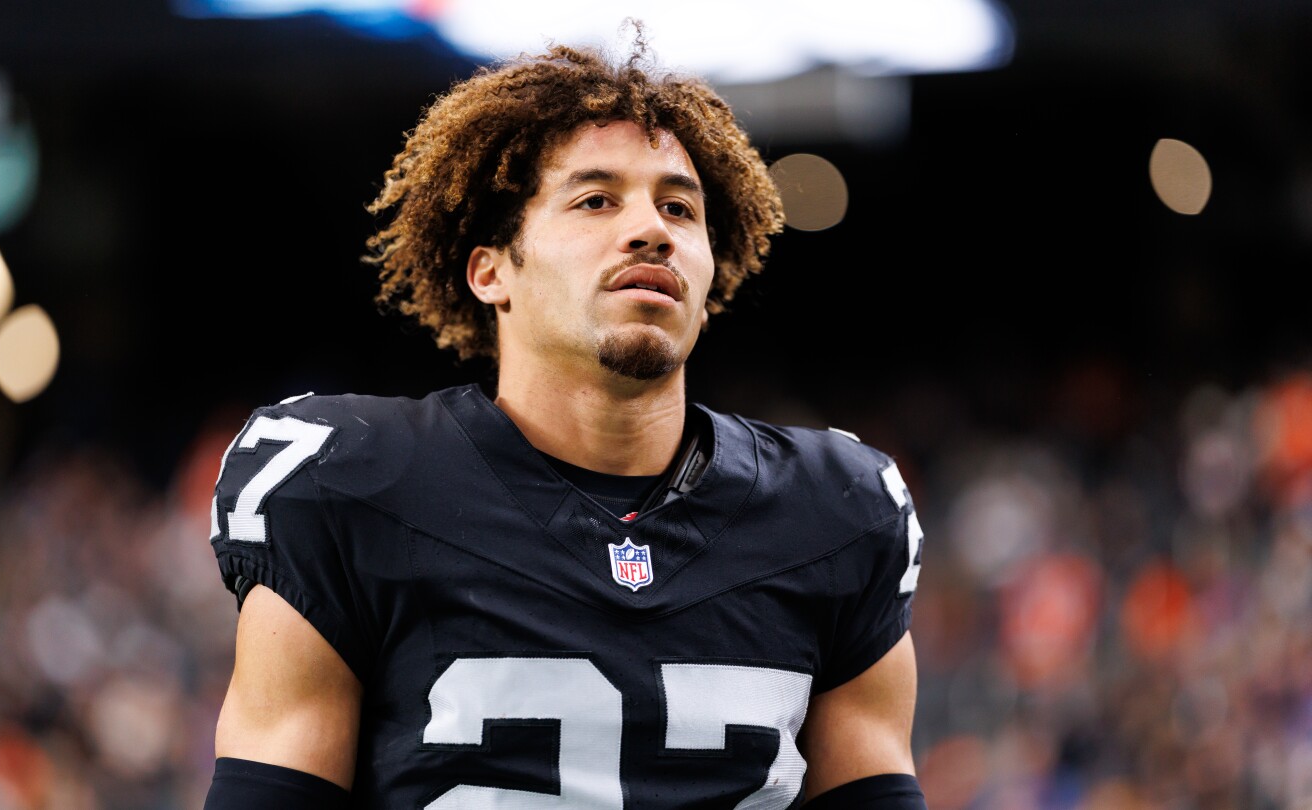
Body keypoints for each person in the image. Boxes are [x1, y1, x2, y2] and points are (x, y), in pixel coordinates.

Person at [204, 30, 927, 809]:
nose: (652, 230)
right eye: (595, 200)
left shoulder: (836, 511)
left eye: (679, 208)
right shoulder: (347, 484)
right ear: (491, 271)